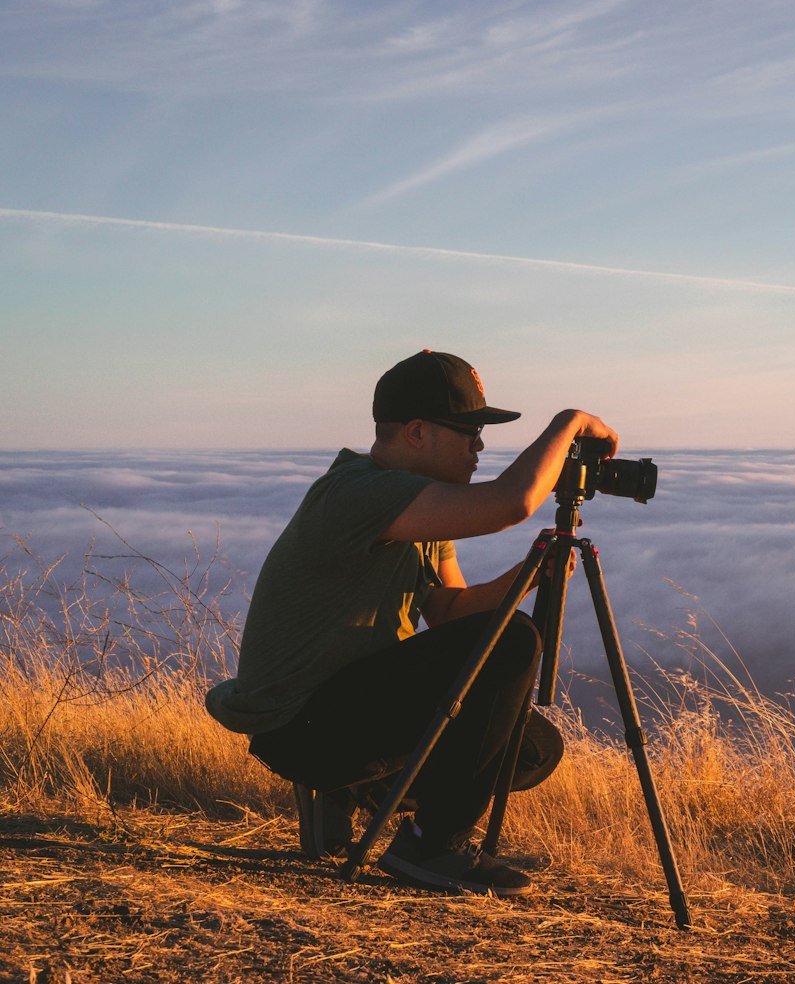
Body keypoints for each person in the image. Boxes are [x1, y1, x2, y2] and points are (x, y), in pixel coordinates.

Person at [205, 349, 618, 897]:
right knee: (514, 641)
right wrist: (568, 423)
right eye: (469, 431)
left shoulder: (420, 508)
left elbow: (447, 610)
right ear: (418, 433)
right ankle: (428, 846)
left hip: (344, 706)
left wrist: (527, 576)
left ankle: (352, 790)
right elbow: (511, 502)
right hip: (300, 724)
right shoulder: (358, 493)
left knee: (525, 746)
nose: (479, 447)